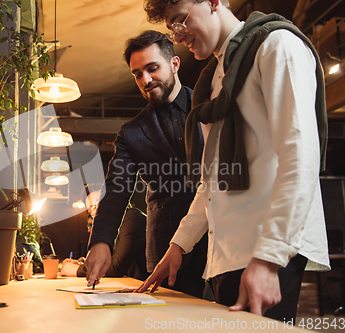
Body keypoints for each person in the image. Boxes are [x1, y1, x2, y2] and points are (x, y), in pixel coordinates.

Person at [136, 0, 330, 323]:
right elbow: (212, 178)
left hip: (267, 249)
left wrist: (269, 259)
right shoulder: (213, 79)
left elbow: (301, 156)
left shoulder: (276, 45)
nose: (178, 35)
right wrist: (178, 247)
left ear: (213, 2)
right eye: (172, 27)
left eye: (181, 20)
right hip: (227, 255)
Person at [85, 30, 207, 297]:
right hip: (165, 251)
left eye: (152, 69)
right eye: (137, 74)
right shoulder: (131, 132)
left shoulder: (209, 107)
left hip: (219, 240)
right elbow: (116, 191)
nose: (145, 80)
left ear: (174, 64)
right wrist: (102, 241)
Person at [60, 192, 148, 280]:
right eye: (90, 209)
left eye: (95, 205)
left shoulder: (130, 217)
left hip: (148, 288)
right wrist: (84, 264)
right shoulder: (113, 225)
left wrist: (77, 270)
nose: (93, 212)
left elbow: (116, 268)